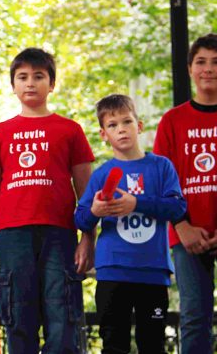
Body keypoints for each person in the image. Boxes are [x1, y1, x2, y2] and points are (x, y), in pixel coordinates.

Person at [0, 48, 95, 353]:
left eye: (39, 76)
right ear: (13, 85)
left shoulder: (70, 130)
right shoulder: (0, 133)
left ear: (51, 84)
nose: (30, 83)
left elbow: (87, 194)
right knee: (18, 317)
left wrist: (88, 239)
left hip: (60, 235)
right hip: (12, 237)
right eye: (23, 77)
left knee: (62, 316)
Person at [75, 94, 186, 353]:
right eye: (112, 125)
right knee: (114, 345)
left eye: (127, 121)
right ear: (103, 134)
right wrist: (95, 211)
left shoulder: (161, 167)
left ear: (140, 126)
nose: (121, 129)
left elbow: (178, 207)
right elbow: (80, 218)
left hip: (153, 271)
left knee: (153, 345)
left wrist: (136, 203)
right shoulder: (101, 174)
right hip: (112, 271)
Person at [153, 33, 217, 353]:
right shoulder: (172, 121)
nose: (208, 69)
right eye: (201, 62)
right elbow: (161, 181)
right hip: (187, 235)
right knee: (193, 319)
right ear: (190, 69)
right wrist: (182, 225)